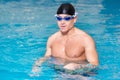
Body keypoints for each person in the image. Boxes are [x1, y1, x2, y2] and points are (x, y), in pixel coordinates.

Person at [32, 3, 99, 73]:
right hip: (59, 73)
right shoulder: (52, 39)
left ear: (74, 19)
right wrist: (37, 64)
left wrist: (78, 66)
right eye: (59, 18)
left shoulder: (85, 39)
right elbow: (47, 56)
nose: (62, 22)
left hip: (81, 74)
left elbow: (95, 64)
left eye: (67, 18)